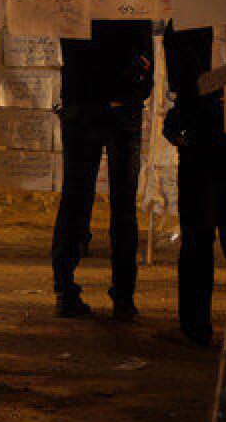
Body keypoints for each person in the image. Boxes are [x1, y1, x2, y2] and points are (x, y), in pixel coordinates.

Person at [52, 20, 153, 320]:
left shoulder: (74, 0)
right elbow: (146, 63)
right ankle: (123, 296)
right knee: (123, 207)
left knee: (74, 199)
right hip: (121, 107)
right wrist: (136, 92)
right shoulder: (131, 3)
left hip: (81, 104)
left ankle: (65, 290)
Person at [163, 23, 226, 347]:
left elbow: (188, 86)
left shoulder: (187, 25)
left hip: (203, 141)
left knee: (201, 237)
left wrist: (178, 122)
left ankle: (196, 326)